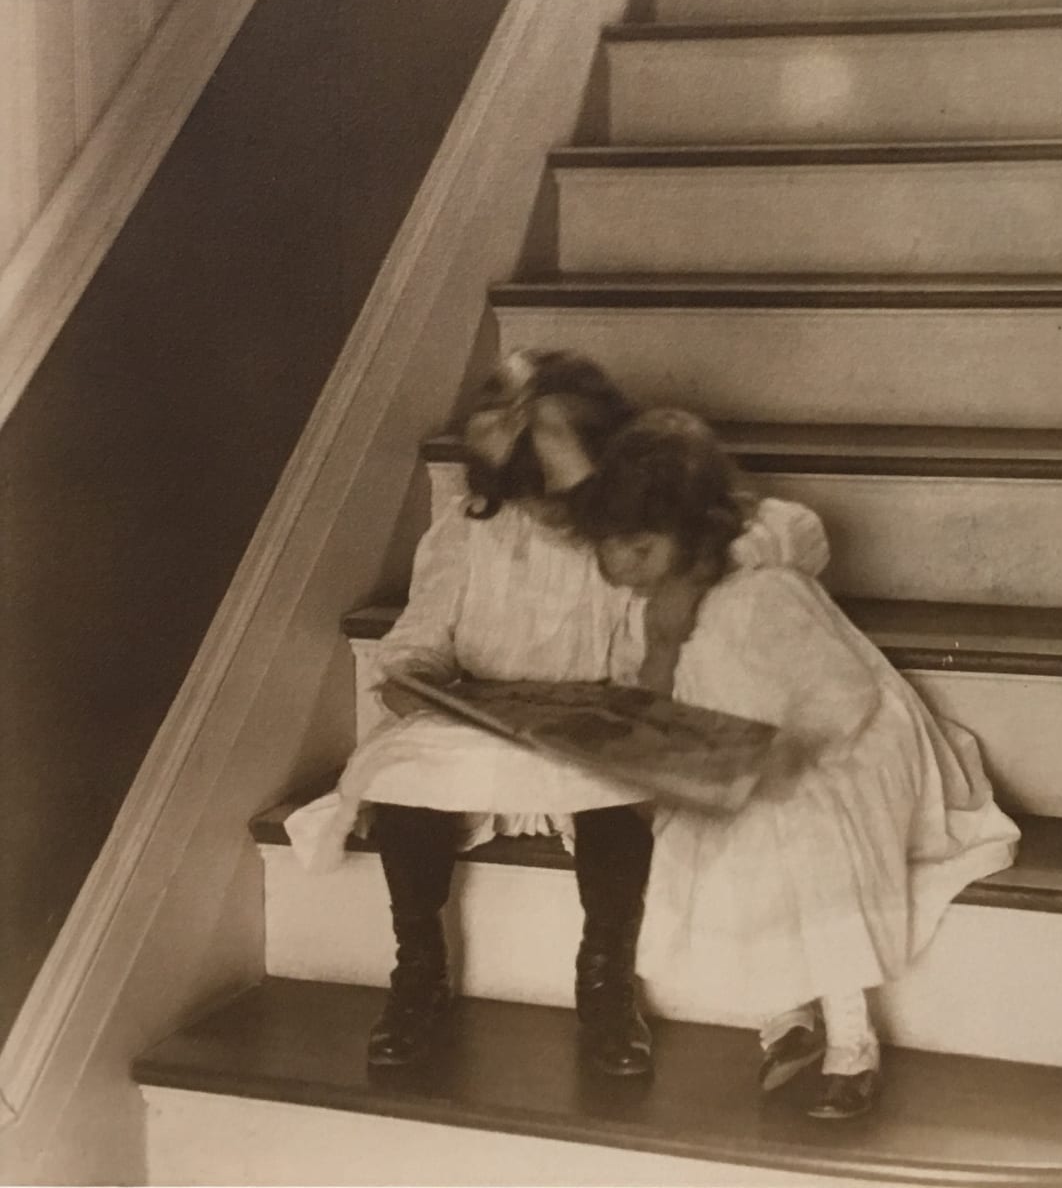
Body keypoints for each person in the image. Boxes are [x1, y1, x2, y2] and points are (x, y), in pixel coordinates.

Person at [284, 352, 830, 1081]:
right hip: (483, 718)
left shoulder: (637, 527)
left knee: (614, 787)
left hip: (593, 720)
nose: (543, 511)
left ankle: (603, 981)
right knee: (401, 768)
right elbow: (416, 641)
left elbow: (793, 538)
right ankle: (418, 971)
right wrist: (417, 684)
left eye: (558, 492)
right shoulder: (467, 531)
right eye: (523, 493)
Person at [571, 409, 1020, 1121]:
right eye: (609, 546)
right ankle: (786, 1014)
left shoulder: (762, 593)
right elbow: (647, 703)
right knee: (721, 848)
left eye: (638, 546)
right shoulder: (644, 614)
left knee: (806, 849)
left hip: (835, 750)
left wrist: (787, 753)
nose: (616, 565)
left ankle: (852, 1040)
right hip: (735, 763)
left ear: (690, 538)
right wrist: (662, 652)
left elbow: (843, 692)